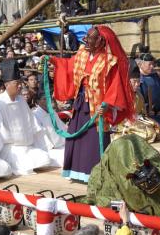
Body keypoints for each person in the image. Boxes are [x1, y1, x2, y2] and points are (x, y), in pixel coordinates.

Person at [48, 26, 134, 182]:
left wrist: (107, 104)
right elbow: (68, 66)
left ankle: (94, 174)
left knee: (93, 142)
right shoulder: (82, 54)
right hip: (81, 103)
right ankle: (74, 171)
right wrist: (53, 60)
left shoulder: (109, 60)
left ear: (100, 41)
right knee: (76, 136)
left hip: (98, 107)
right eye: (86, 37)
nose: (85, 40)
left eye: (89, 38)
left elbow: (115, 86)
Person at [0, 59, 51, 175]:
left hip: (27, 147)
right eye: (17, 83)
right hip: (11, 149)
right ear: (6, 84)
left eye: (20, 83)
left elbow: (33, 124)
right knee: (10, 168)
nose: (20, 86)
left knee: (45, 159)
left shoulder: (21, 101)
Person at [33, 90, 66, 167]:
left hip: (61, 145)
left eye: (49, 99)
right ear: (38, 101)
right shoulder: (35, 115)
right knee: (65, 159)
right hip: (48, 149)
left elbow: (62, 127)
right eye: (44, 99)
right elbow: (39, 134)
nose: (47, 101)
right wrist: (50, 146)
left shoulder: (53, 113)